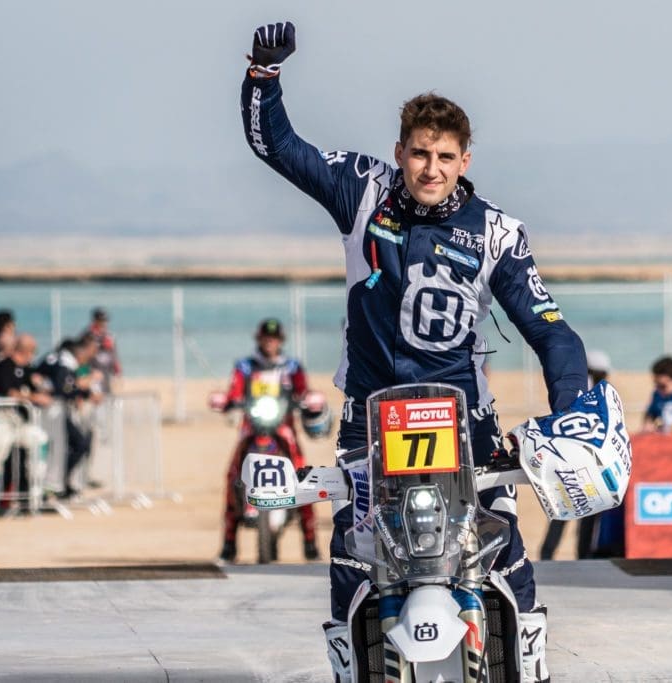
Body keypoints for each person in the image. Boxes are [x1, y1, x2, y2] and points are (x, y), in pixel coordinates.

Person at [241, 22, 588, 681]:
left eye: (446, 156)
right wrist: (263, 76)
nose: (432, 168)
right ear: (399, 152)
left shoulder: (497, 233)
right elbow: (279, 147)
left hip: (468, 428)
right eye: (421, 153)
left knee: (505, 558)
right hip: (369, 424)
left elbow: (552, 331)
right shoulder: (362, 190)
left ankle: (529, 667)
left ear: (465, 161)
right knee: (353, 561)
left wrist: (571, 413)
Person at [213, 318, 323, 563]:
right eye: (266, 338)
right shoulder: (245, 366)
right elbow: (234, 391)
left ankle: (310, 543)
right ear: (259, 339)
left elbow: (302, 391)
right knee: (232, 474)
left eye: (274, 339)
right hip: (251, 427)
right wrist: (228, 401)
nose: (269, 343)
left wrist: (309, 400)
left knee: (303, 475)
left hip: (283, 428)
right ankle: (229, 544)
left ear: (280, 341)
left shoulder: (292, 367)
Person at [539, 350, 616, 561]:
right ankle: (581, 556)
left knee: (564, 507)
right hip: (587, 461)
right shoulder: (596, 393)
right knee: (585, 510)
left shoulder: (573, 388)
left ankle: (549, 554)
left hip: (569, 458)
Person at [0, 334, 52, 515]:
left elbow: (36, 389)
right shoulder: (3, 366)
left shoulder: (27, 369)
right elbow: (10, 392)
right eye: (32, 351)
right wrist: (33, 397)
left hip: (17, 422)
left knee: (40, 440)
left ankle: (36, 493)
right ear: (25, 350)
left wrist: (40, 388)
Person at [37, 334, 102, 500]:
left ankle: (61, 484)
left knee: (74, 445)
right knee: (71, 446)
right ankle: (54, 486)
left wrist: (83, 392)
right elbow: (64, 388)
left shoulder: (58, 359)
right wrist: (84, 389)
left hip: (55, 412)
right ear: (80, 352)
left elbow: (66, 386)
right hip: (52, 413)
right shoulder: (64, 362)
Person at [83, 308, 122, 393]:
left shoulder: (109, 336)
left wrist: (117, 370)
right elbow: (82, 357)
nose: (104, 323)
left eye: (105, 321)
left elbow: (114, 354)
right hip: (94, 371)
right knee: (96, 394)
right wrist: (87, 371)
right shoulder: (87, 335)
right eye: (101, 321)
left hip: (107, 371)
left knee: (109, 395)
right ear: (95, 321)